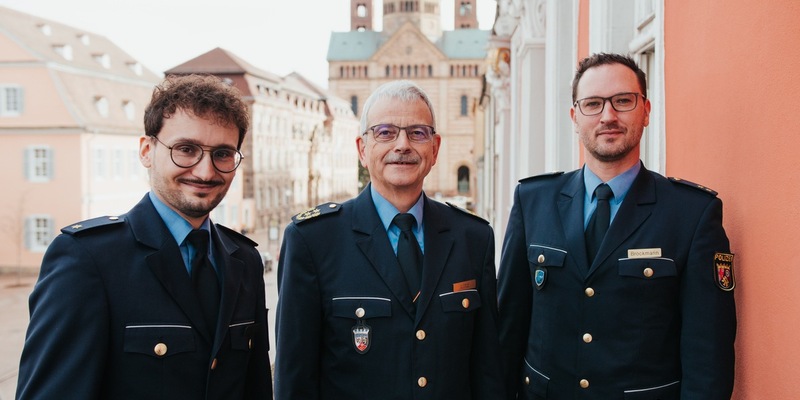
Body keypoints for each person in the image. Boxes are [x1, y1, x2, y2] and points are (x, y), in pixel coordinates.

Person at [16, 74, 273, 399]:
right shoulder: (88, 259)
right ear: (146, 151)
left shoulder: (244, 261)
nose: (205, 171)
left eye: (222, 154)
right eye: (186, 149)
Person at [497, 53, 736, 399]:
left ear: (646, 110)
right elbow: (508, 331)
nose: (608, 116)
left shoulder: (692, 214)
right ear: (574, 117)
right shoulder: (533, 201)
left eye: (623, 101)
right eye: (593, 104)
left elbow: (708, 355)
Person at [274, 80, 506, 399]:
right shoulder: (313, 240)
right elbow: (294, 379)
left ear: (435, 149)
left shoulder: (473, 237)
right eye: (385, 132)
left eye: (417, 133)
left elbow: (487, 371)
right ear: (362, 149)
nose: (402, 145)